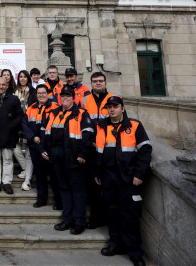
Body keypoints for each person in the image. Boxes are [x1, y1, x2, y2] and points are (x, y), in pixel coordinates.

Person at [93, 96, 152, 266]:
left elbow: (145, 151)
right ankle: (115, 244)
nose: (112, 110)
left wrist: (139, 174)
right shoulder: (101, 126)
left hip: (128, 178)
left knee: (130, 215)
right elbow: (98, 151)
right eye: (109, 107)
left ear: (122, 108)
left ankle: (135, 252)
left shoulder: (134, 125)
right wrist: (97, 172)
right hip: (108, 177)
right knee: (112, 212)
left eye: (115, 106)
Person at [41, 85, 93, 235]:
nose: (64, 98)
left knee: (77, 190)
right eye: (62, 96)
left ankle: (79, 222)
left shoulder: (81, 113)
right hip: (56, 157)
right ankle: (67, 219)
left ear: (73, 97)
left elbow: (88, 135)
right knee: (63, 188)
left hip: (74, 157)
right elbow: (44, 132)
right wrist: (43, 150)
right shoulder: (53, 113)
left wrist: (83, 154)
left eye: (68, 96)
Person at [82, 71, 115, 228]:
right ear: (91, 83)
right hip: (92, 149)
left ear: (105, 83)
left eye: (101, 81)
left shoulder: (113, 100)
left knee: (108, 187)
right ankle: (95, 219)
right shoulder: (85, 100)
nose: (98, 83)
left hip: (109, 149)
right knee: (93, 186)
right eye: (95, 81)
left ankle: (108, 218)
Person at [24, 84, 62, 209]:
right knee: (39, 175)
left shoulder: (56, 107)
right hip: (35, 146)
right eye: (39, 93)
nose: (41, 95)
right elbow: (24, 125)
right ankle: (42, 199)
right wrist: (32, 137)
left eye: (43, 93)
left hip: (50, 147)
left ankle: (59, 201)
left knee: (54, 175)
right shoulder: (31, 108)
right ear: (36, 95)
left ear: (48, 94)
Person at [13, 70, 35, 190]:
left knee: (27, 153)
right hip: (16, 125)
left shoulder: (32, 91)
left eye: (24, 77)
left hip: (27, 124)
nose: (22, 79)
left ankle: (27, 180)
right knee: (16, 150)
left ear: (28, 78)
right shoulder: (14, 91)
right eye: (20, 77)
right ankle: (26, 170)